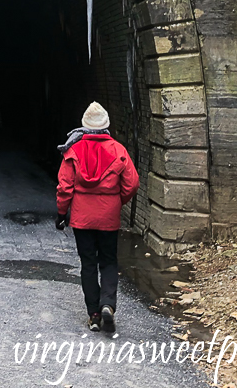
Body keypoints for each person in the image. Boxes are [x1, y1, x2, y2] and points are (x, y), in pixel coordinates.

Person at [56, 101, 139, 334]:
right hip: (108, 217)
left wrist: (62, 213)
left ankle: (93, 315)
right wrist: (116, 201)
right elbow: (132, 184)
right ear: (106, 125)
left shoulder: (73, 150)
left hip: (82, 218)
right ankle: (108, 305)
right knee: (109, 261)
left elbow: (64, 186)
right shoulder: (118, 150)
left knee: (88, 264)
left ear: (85, 126)